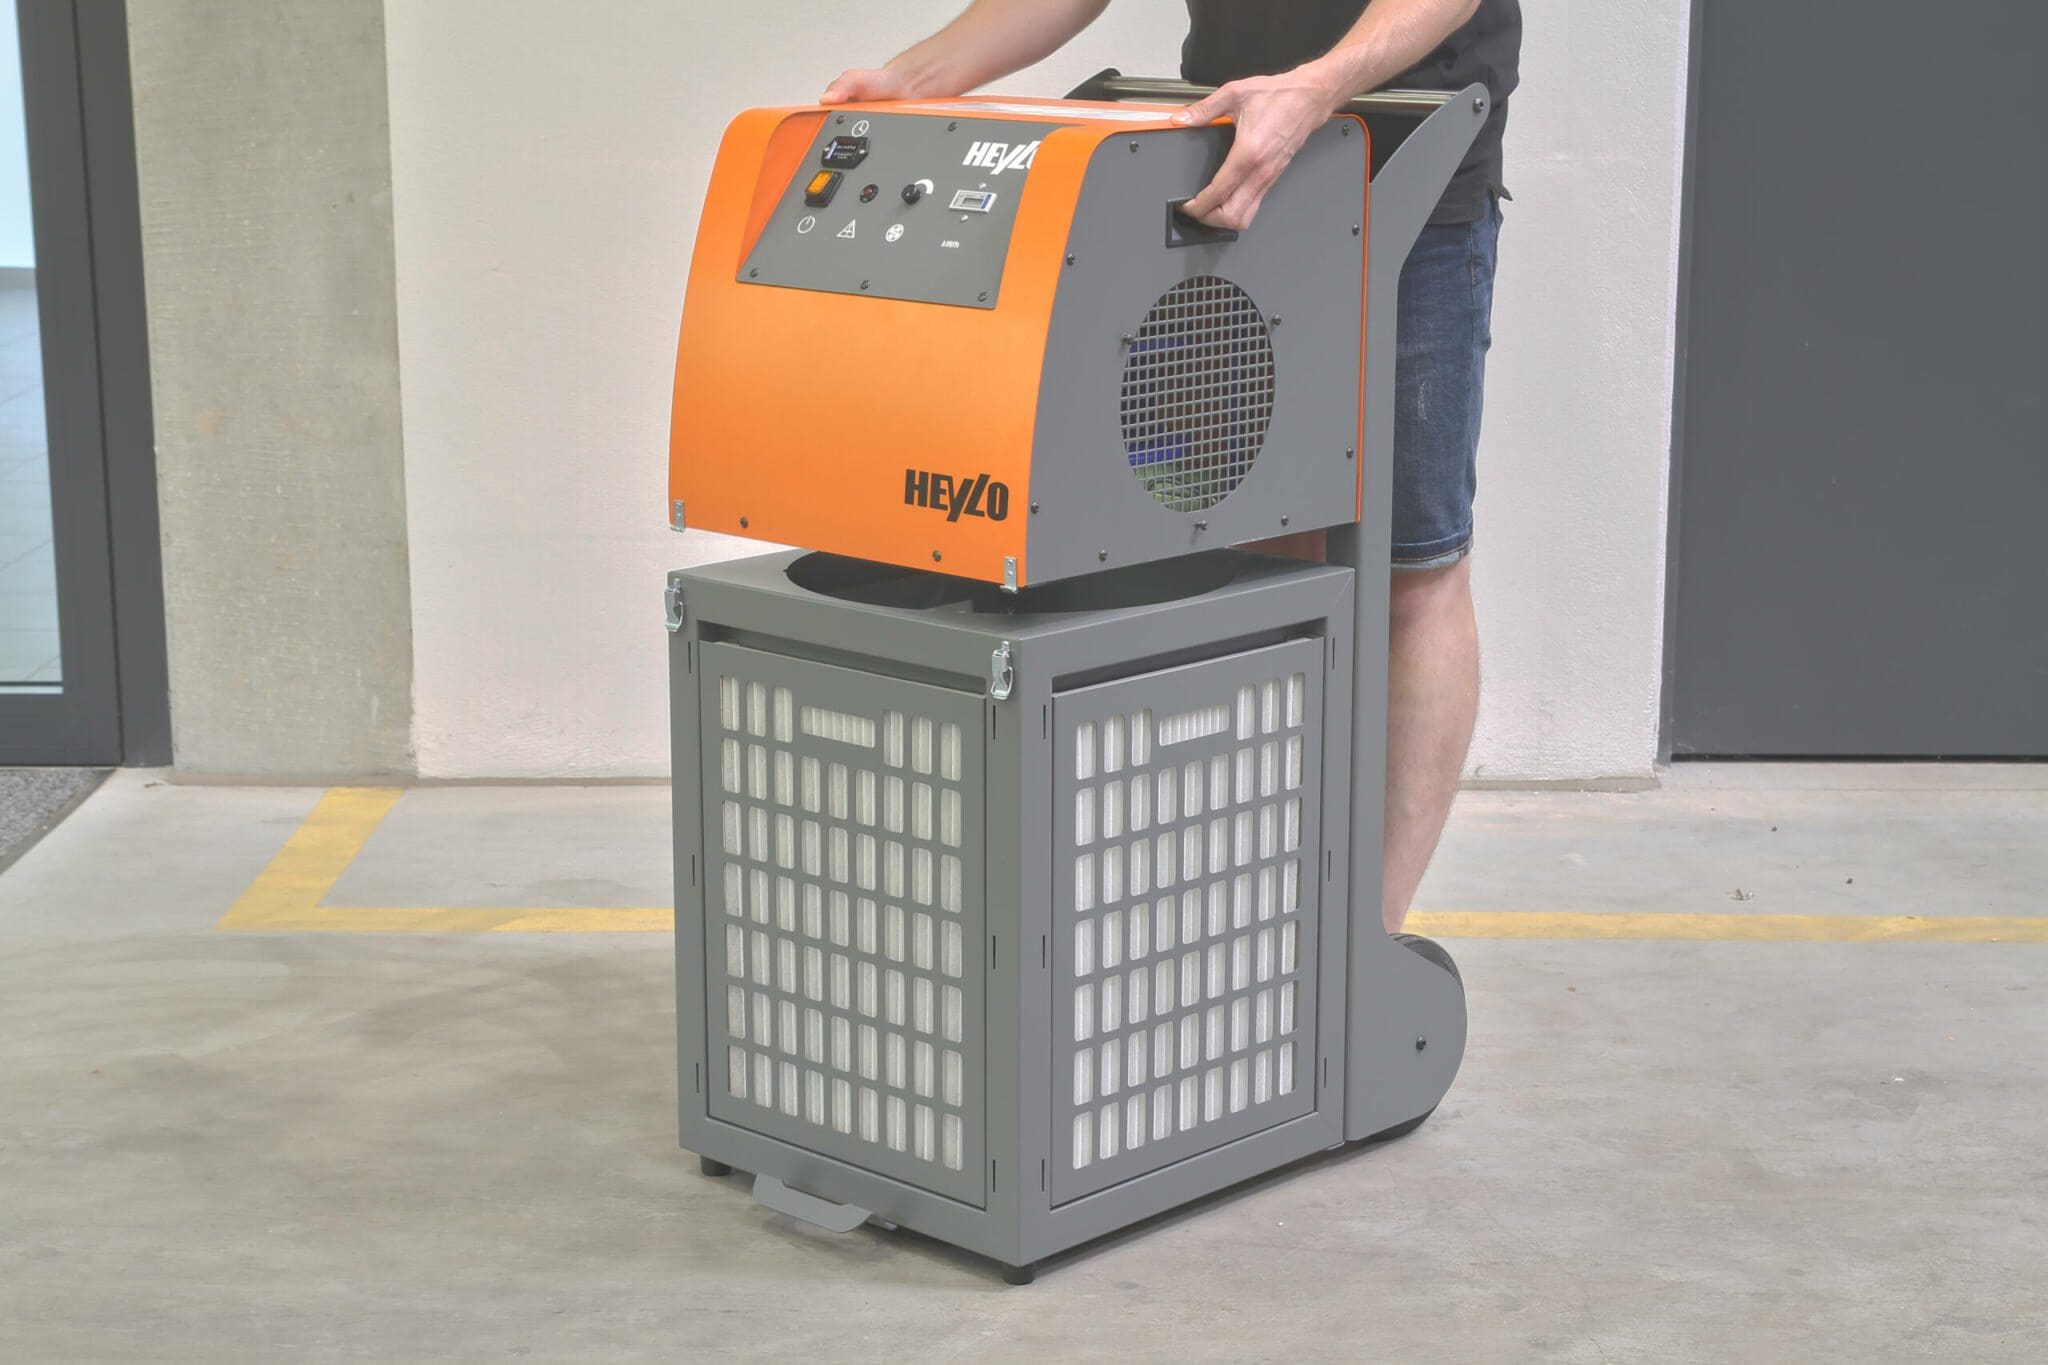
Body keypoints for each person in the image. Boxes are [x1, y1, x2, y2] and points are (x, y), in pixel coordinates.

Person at [825, 1, 1520, 934]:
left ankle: (1363, 951)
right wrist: (914, 80)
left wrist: (1318, 86)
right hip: (1236, 163)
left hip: (1413, 159)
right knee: (1254, 552)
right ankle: (1254, 911)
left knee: (1413, 573)